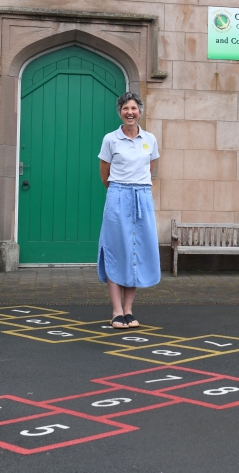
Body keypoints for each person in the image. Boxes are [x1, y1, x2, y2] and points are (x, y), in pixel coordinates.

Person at [98, 92, 161, 329]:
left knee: (136, 251)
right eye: (125, 108)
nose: (130, 112)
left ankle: (129, 310)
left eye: (133, 108)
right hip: (118, 194)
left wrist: (137, 189)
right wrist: (120, 190)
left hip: (142, 196)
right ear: (120, 112)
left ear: (140, 111)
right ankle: (116, 311)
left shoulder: (150, 139)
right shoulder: (110, 139)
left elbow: (150, 167)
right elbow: (105, 173)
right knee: (116, 250)